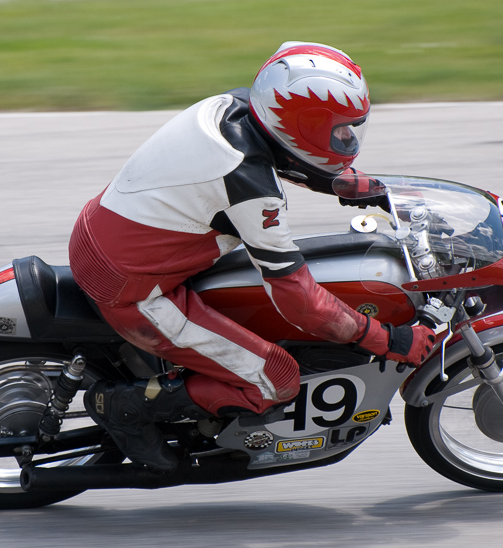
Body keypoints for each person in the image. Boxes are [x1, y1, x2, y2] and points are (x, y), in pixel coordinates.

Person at [69, 41, 439, 474]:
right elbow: (297, 298)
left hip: (107, 232)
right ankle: (128, 408)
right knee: (277, 377)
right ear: (302, 125)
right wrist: (387, 340)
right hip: (133, 290)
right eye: (338, 128)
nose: (348, 138)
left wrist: (375, 189)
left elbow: (287, 157)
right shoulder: (249, 185)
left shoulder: (237, 106)